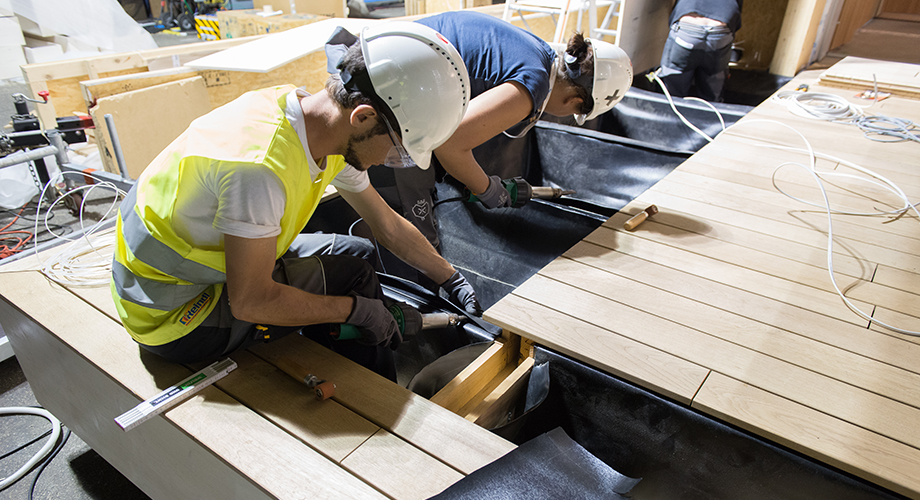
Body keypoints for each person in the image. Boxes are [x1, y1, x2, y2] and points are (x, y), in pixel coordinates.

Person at [110, 21, 479, 377]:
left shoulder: (316, 125)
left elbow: (387, 226)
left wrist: (451, 279)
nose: (390, 161)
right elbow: (250, 301)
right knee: (356, 283)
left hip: (202, 265)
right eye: (397, 149)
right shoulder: (260, 169)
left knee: (359, 255)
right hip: (174, 315)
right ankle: (372, 410)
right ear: (363, 116)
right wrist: (355, 311)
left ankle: (341, 360)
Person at [327, 12, 632, 251]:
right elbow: (450, 143)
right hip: (386, 108)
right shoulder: (533, 84)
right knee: (416, 230)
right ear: (576, 100)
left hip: (374, 72)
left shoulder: (536, 51)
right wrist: (489, 189)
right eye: (577, 112)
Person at [657, 0, 743, 102]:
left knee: (672, 93)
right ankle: (711, 110)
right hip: (720, 29)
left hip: (687, 28)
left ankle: (671, 110)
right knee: (712, 94)